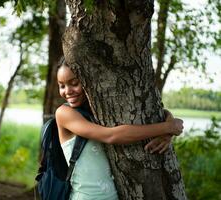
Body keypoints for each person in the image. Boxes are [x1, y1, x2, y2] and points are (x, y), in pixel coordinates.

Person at [55, 60, 184, 200]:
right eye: (62, 86)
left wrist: (167, 126)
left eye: (74, 83)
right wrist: (167, 127)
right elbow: (111, 136)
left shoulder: (96, 111)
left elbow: (152, 113)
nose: (67, 91)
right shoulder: (64, 113)